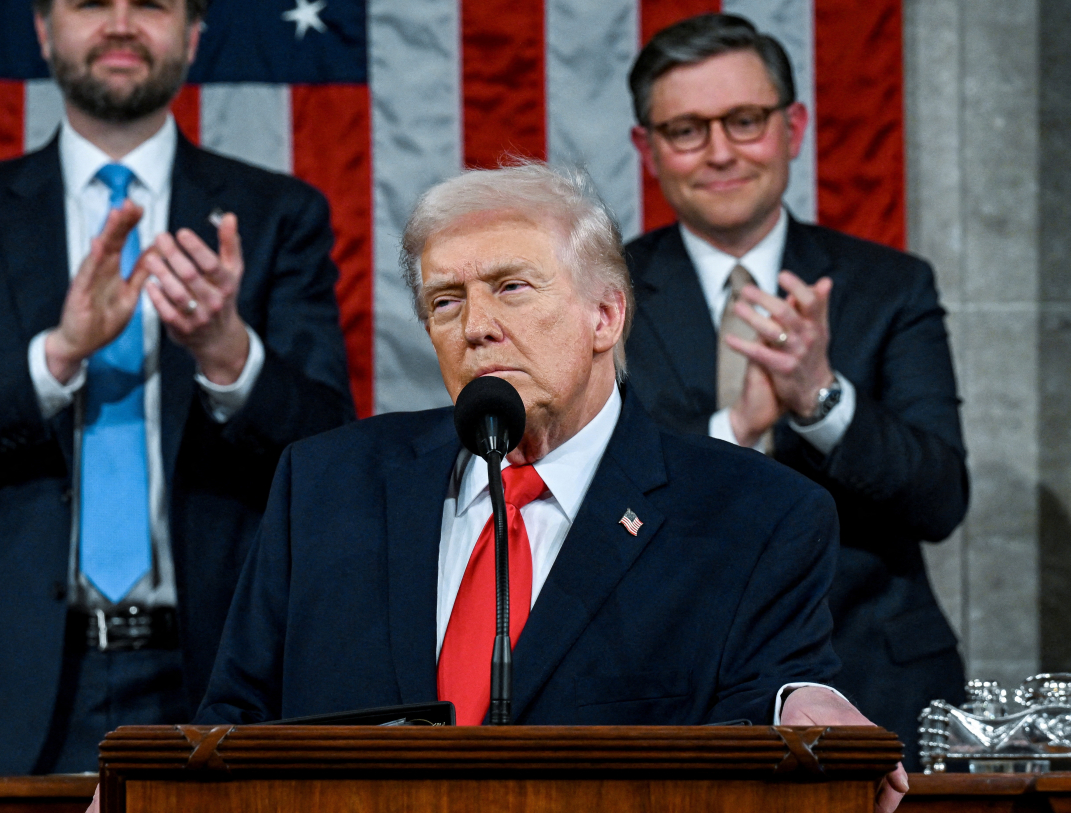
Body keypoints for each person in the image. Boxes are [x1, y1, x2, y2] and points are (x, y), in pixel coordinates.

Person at [195, 163, 907, 812]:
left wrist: (803, 702)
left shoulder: (751, 515)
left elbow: (776, 694)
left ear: (606, 315)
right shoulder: (326, 485)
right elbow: (232, 722)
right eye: (446, 302)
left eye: (511, 287)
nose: (476, 328)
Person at [0, 0, 354, 775]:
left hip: (218, 668)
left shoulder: (279, 216)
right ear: (46, 29)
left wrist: (226, 355)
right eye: (93, 2)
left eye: (151, 4)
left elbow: (330, 450)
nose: (122, 23)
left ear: (193, 35)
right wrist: (54, 356)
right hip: (3, 671)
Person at [623, 12, 967, 766]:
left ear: (793, 127)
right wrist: (734, 431)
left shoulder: (891, 286)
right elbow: (591, 502)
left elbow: (942, 500)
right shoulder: (604, 297)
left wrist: (819, 398)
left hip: (881, 686)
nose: (719, 153)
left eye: (744, 121)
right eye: (686, 130)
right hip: (675, 693)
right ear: (647, 150)